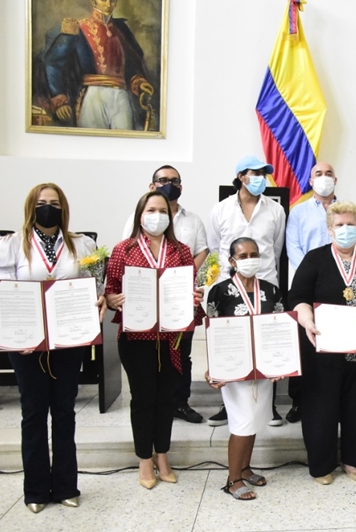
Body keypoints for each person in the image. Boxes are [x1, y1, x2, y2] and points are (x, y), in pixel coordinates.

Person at [0, 183, 105, 513]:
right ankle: (36, 490)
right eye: (41, 203)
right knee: (34, 412)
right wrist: (13, 333)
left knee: (65, 411)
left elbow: (96, 285)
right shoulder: (11, 244)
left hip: (69, 340)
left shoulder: (82, 243)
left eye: (53, 203)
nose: (47, 208)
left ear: (63, 208)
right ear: (30, 207)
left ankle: (66, 485)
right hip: (27, 344)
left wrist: (99, 301)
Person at [105, 190, 204, 489]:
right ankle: (144, 458)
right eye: (151, 210)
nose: (157, 215)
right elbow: (109, 291)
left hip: (172, 338)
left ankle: (163, 454)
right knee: (143, 398)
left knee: (167, 399)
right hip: (137, 338)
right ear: (140, 214)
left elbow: (190, 290)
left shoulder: (182, 251)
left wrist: (194, 298)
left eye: (163, 210)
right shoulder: (124, 249)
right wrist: (112, 299)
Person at [289, 202, 356, 485]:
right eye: (340, 225)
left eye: (350, 225)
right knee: (321, 409)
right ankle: (322, 465)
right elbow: (297, 297)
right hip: (325, 351)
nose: (345, 230)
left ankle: (354, 460)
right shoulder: (315, 259)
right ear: (329, 229)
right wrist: (306, 319)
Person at [121, 165, 208, 425]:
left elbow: (203, 249)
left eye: (175, 180)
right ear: (151, 186)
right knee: (149, 361)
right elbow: (126, 254)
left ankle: (179, 402)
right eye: (163, 180)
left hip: (179, 299)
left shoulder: (192, 220)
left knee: (182, 355)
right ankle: (152, 403)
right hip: (145, 302)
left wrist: (184, 273)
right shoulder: (135, 219)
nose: (169, 184)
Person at [207, 156, 286, 427]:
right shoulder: (220, 209)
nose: (261, 179)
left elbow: (275, 250)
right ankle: (227, 405)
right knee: (231, 340)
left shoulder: (276, 210)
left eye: (265, 174)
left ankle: (270, 405)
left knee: (266, 341)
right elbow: (217, 247)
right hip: (230, 289)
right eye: (256, 173)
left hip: (265, 285)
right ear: (241, 176)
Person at [205, 237, 284, 500]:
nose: (250, 259)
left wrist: (281, 362)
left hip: (263, 369)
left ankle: (246, 468)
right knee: (241, 422)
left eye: (254, 254)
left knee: (255, 420)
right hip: (235, 370)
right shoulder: (220, 291)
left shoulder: (271, 290)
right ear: (232, 261)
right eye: (243, 255)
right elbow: (213, 332)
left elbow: (279, 327)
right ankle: (233, 479)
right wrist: (214, 368)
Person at [41, 0, 155, 130]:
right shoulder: (78, 28)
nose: (108, 4)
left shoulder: (122, 30)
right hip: (93, 96)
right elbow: (54, 61)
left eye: (112, 0)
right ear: (93, 1)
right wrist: (59, 97)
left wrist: (138, 82)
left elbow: (131, 62)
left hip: (121, 96)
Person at [284, 161, 338, 423]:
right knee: (303, 345)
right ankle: (298, 402)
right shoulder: (298, 211)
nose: (324, 177)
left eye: (329, 174)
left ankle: (332, 399)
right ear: (310, 180)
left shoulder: (345, 210)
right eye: (319, 174)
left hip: (338, 287)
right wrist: (312, 273)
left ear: (335, 179)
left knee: (332, 344)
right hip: (306, 285)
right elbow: (292, 246)